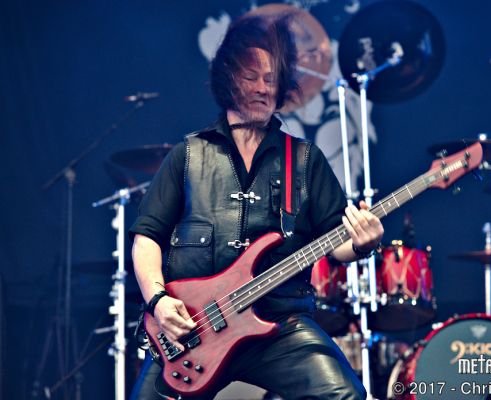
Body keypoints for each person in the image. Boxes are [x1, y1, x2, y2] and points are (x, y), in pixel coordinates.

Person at [129, 14, 383, 400]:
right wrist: (159, 301)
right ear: (228, 79)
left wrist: (363, 243)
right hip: (193, 332)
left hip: (280, 327)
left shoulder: (304, 160)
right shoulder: (189, 155)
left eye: (271, 79)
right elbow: (147, 238)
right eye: (251, 77)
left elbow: (338, 242)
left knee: (346, 395)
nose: (263, 88)